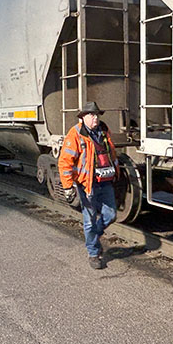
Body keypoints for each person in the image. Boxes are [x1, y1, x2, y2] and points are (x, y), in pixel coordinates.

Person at [58, 101, 119, 269]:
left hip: (105, 181)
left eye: (96, 115)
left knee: (111, 214)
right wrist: (68, 186)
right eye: (91, 115)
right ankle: (93, 253)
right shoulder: (76, 134)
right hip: (88, 185)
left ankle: (93, 236)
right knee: (89, 220)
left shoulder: (104, 130)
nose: (95, 118)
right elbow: (64, 162)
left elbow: (111, 152)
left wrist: (116, 170)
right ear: (83, 117)